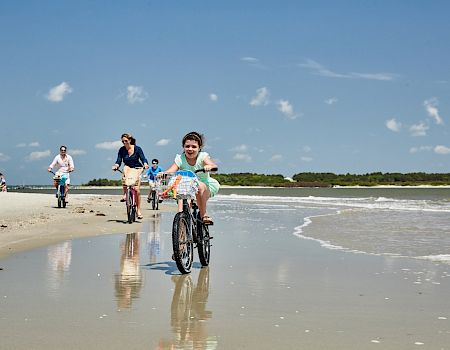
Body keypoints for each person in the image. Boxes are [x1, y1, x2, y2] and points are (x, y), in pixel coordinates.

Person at [164, 131, 219, 225]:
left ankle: (203, 214)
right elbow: (171, 170)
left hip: (204, 186)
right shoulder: (180, 158)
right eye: (187, 146)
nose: (190, 149)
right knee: (182, 198)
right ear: (183, 147)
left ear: (199, 148)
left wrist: (209, 166)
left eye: (194, 147)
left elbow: (213, 165)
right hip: (186, 186)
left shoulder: (202, 156)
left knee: (199, 186)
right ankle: (181, 223)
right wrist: (163, 173)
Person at [112, 133, 149, 219]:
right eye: (123, 141)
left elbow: (143, 158)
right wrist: (116, 165)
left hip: (137, 168)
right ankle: (125, 194)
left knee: (137, 190)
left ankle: (138, 210)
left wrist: (145, 163)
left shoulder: (137, 149)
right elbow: (119, 160)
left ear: (130, 140)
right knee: (124, 174)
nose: (124, 143)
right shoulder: (121, 150)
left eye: (126, 141)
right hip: (128, 168)